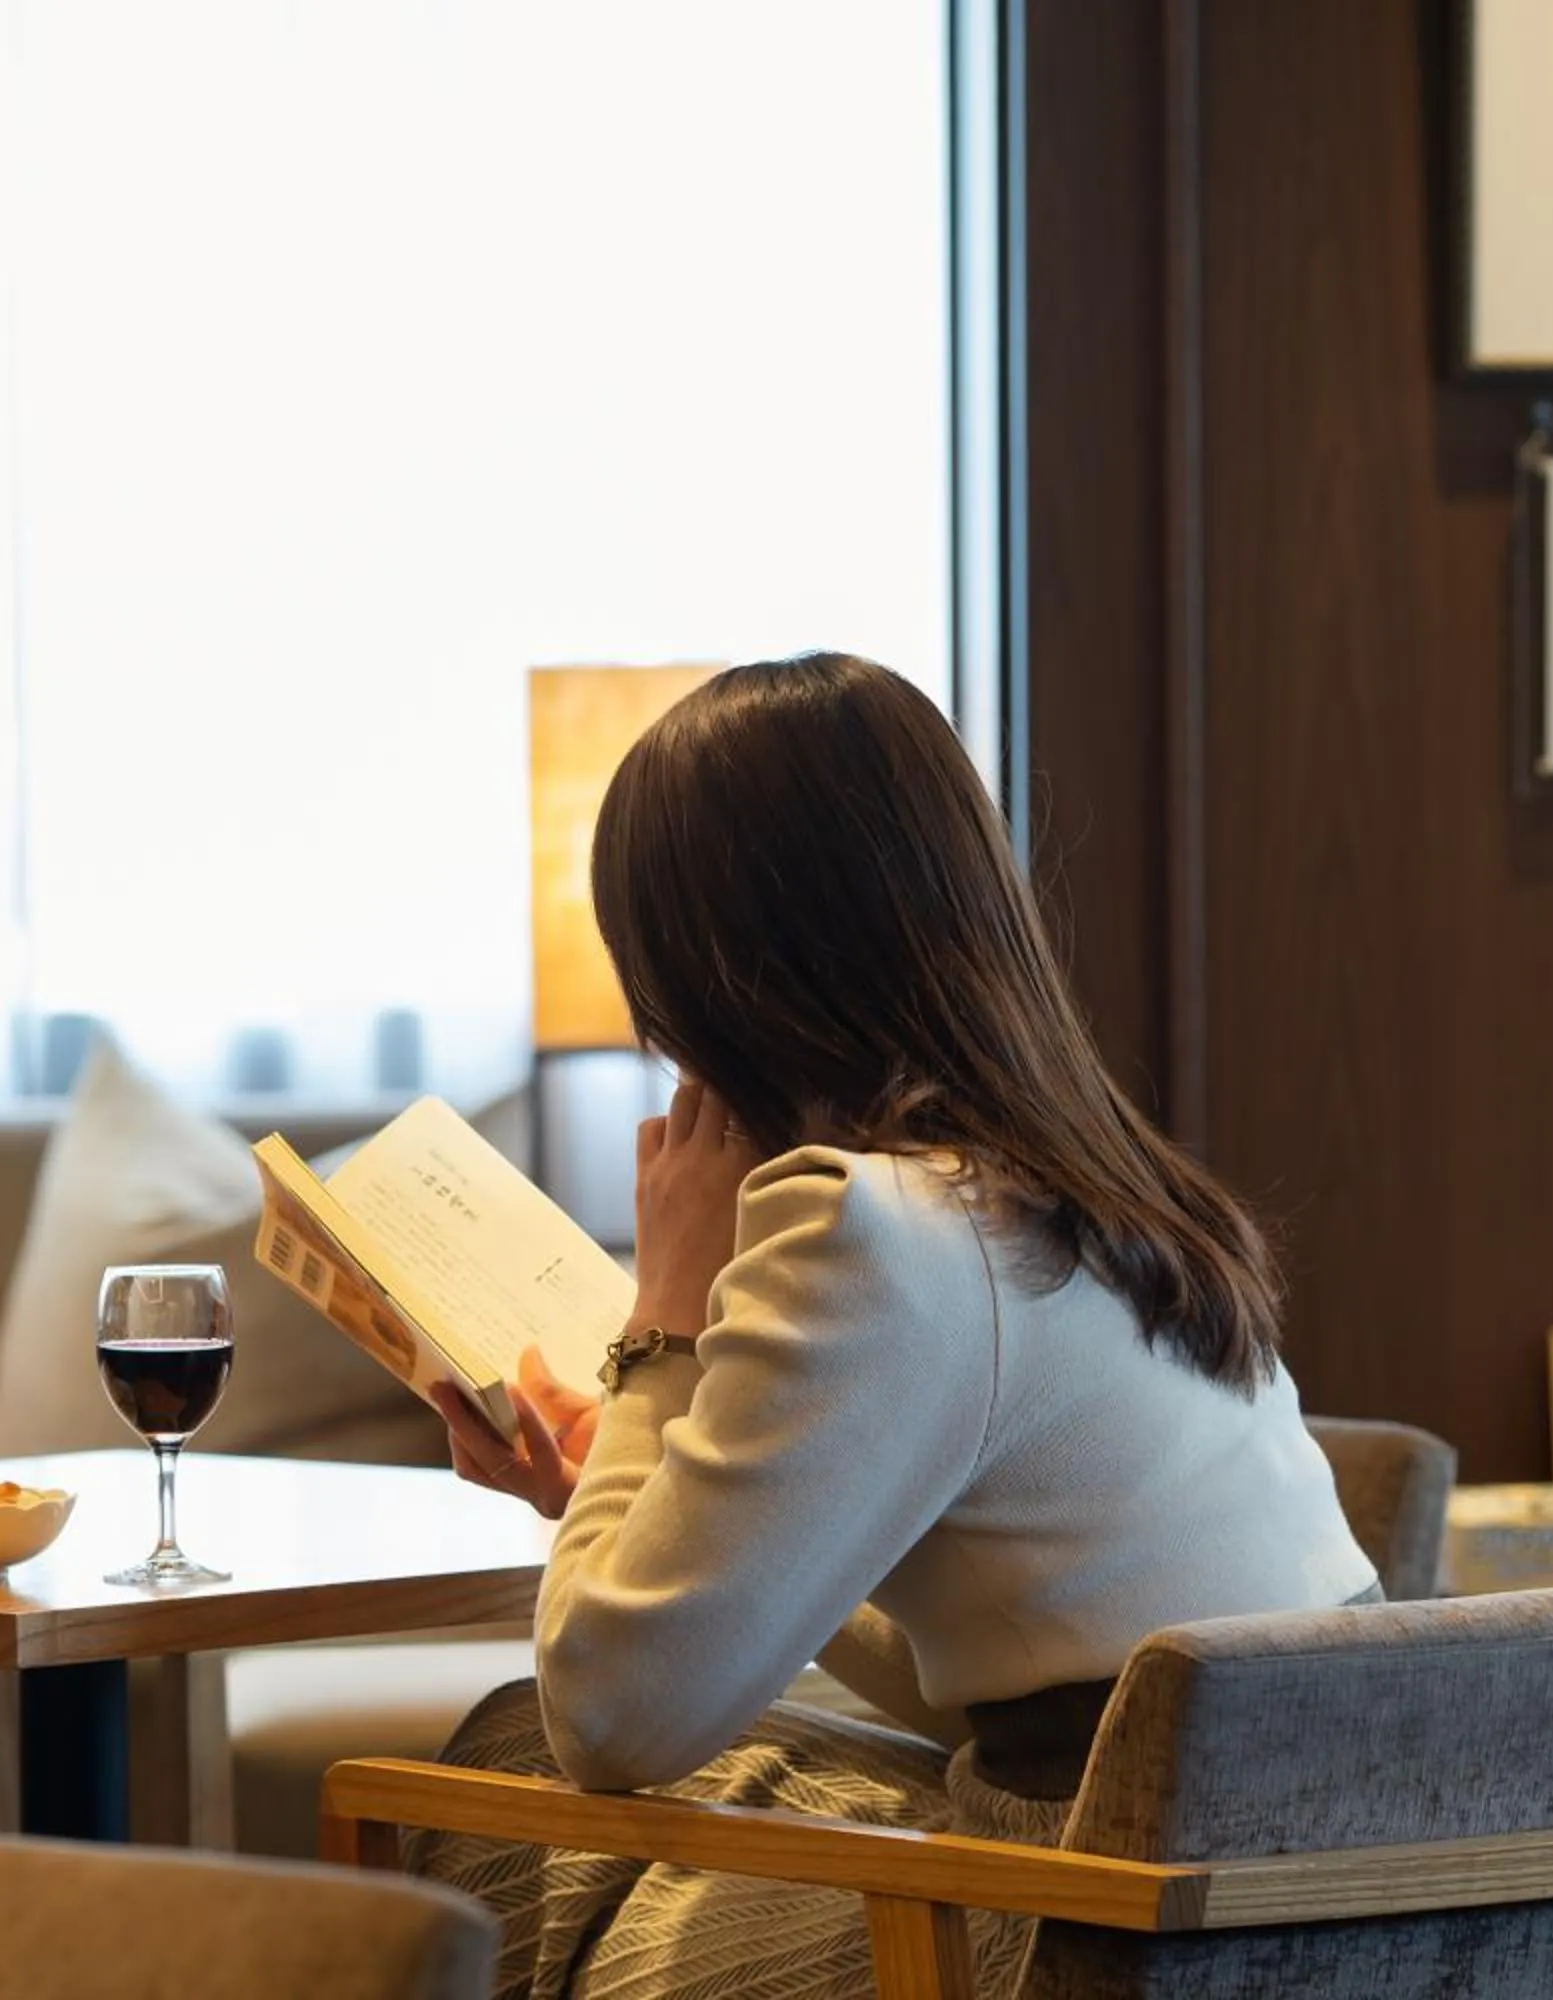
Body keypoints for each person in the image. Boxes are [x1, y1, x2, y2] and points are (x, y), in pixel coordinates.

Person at [415, 653, 1376, 2000]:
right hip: (1318, 1907)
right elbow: (1013, 1659)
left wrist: (665, 1322)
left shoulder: (862, 1228)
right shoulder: (1111, 1199)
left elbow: (611, 1716)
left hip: (1085, 1924)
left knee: (520, 1760)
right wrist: (632, 1504)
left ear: (706, 978)